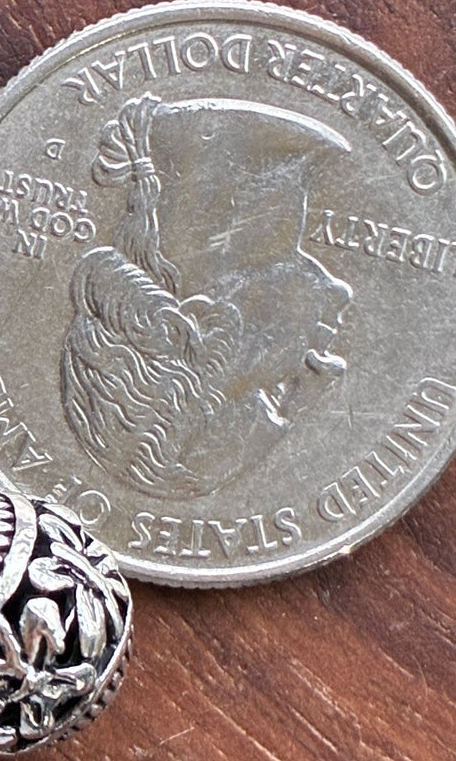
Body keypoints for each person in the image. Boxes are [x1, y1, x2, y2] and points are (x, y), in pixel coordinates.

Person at [61, 93, 353, 499]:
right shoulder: (180, 454)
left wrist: (286, 409)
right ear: (211, 318)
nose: (336, 289)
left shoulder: (229, 422)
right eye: (289, 261)